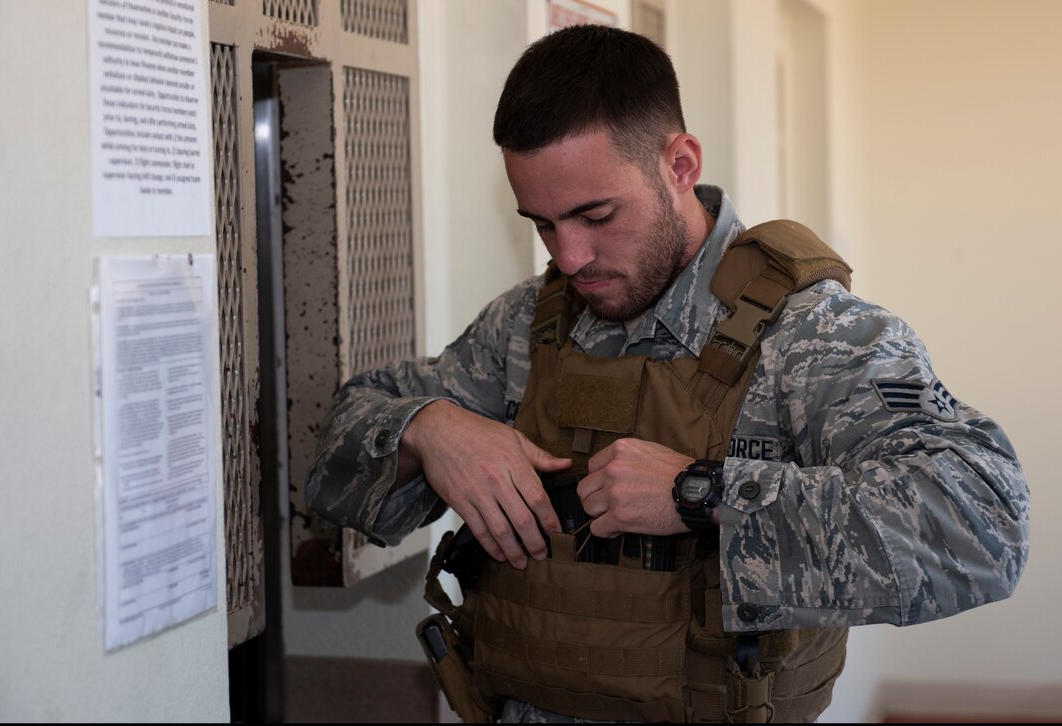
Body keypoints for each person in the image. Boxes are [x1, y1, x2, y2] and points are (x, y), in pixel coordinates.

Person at [305, 24, 1030, 724]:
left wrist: (700, 494)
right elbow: (338, 433)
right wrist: (433, 429)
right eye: (543, 225)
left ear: (679, 165)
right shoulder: (527, 326)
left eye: (595, 215)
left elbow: (983, 521)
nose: (570, 258)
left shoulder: (811, 335)